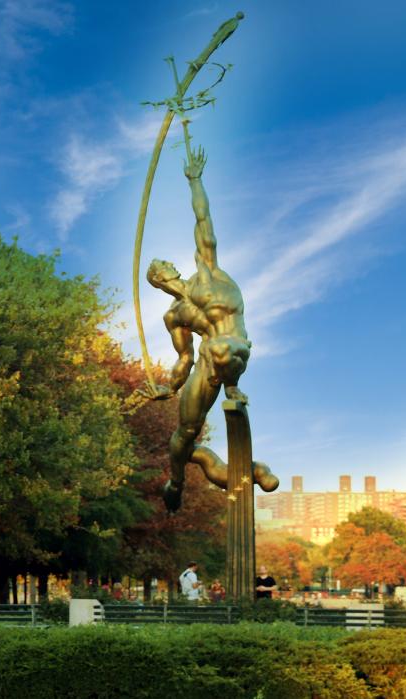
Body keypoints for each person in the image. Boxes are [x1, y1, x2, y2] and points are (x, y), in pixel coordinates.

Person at [137, 148, 279, 511]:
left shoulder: (208, 274)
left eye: (165, 263)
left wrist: (194, 180)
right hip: (207, 362)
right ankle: (183, 478)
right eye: (160, 269)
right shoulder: (175, 316)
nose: (166, 268)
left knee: (218, 349)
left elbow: (204, 222)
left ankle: (233, 385)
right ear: (157, 281)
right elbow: (184, 358)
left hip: (233, 348)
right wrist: (167, 388)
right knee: (183, 435)